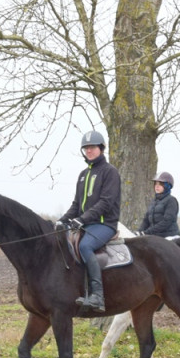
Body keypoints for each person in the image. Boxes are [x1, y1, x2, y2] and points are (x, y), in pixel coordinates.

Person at [56, 130, 121, 312]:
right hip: (86, 224)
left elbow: (106, 203)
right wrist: (61, 221)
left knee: (85, 246)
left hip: (104, 224)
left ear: (101, 148)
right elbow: (76, 204)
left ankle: (97, 296)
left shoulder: (110, 172)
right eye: (85, 148)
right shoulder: (83, 175)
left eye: (92, 147)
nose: (89, 151)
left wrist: (82, 219)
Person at [138, 171, 180, 238]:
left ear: (167, 186)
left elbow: (166, 222)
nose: (157, 186)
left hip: (169, 236)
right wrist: (139, 232)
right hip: (155, 236)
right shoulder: (153, 202)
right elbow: (146, 220)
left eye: (160, 184)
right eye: (156, 184)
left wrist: (147, 232)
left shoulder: (171, 201)